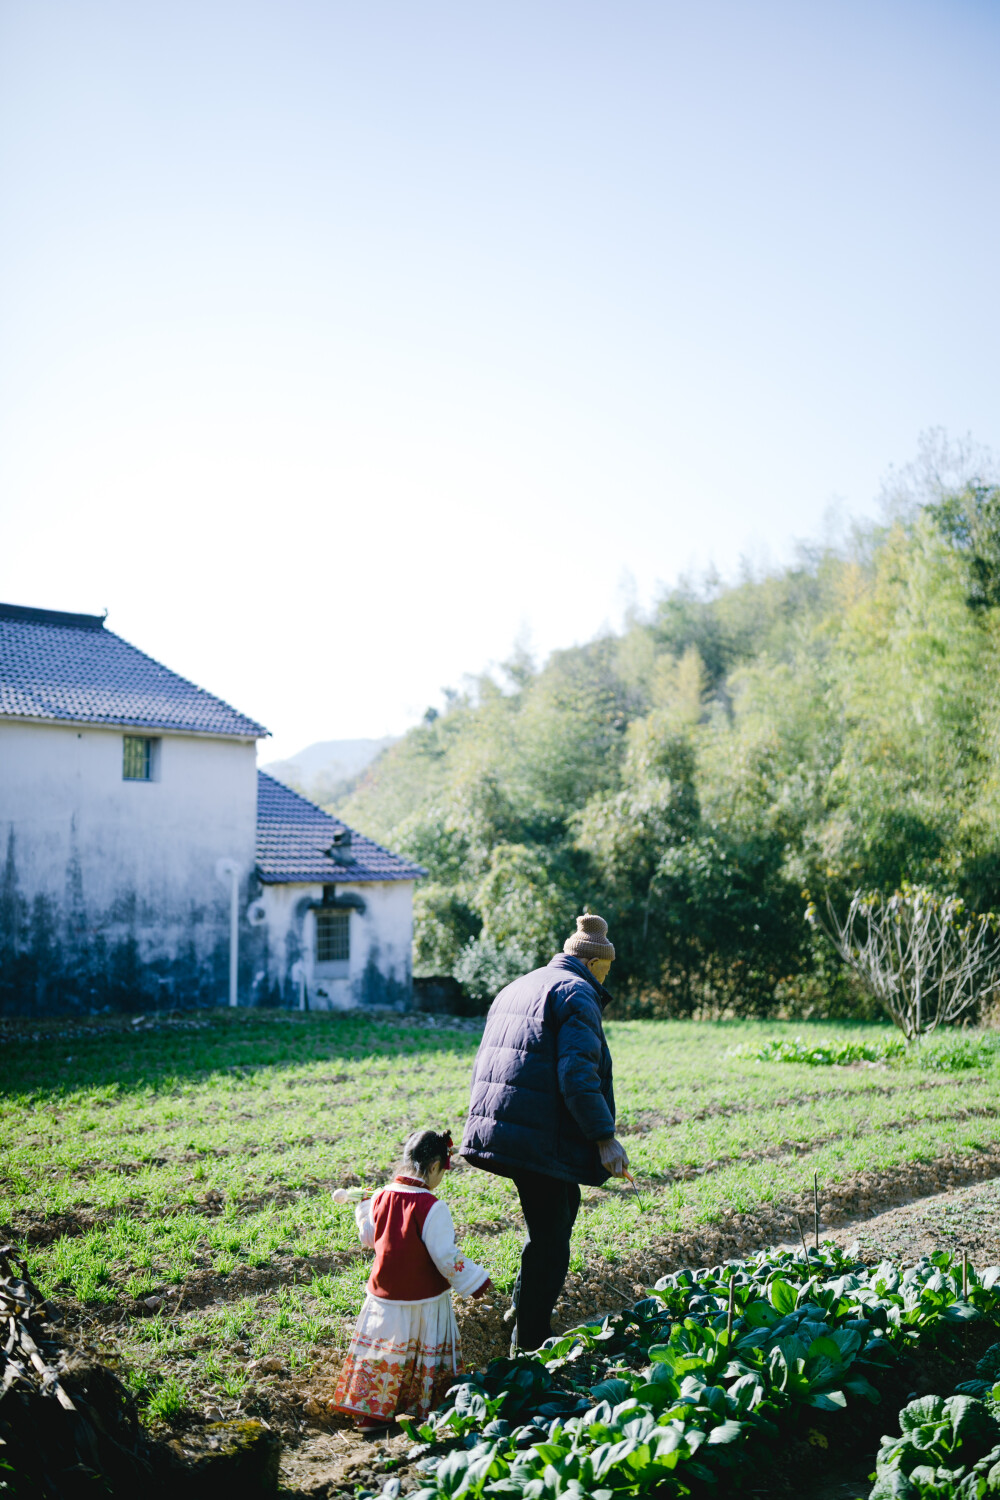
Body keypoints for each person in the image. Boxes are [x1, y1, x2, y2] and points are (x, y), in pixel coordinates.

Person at [460, 913, 630, 1353]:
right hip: (534, 1133)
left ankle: (521, 1308)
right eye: (606, 969)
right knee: (552, 1240)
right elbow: (577, 1074)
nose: (606, 977)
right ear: (593, 963)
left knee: (557, 1212)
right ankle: (530, 1344)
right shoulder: (577, 993)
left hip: (503, 1125)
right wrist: (604, 1137)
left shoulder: (521, 984)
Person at [331, 1127, 494, 1430]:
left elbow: (369, 1237)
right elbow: (446, 1256)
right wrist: (477, 1281)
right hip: (424, 1299)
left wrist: (364, 1208)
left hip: (383, 1296)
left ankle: (371, 1412)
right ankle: (426, 1405)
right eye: (441, 1172)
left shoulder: (381, 1196)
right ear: (434, 1167)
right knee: (420, 1349)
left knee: (383, 1349)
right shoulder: (432, 1207)